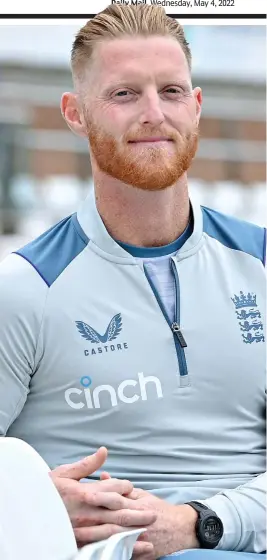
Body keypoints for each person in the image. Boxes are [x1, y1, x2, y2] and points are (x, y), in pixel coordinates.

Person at [0, 4, 266, 559]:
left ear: (196, 106)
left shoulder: (259, 263)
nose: (153, 113)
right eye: (124, 95)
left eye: (171, 91)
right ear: (75, 114)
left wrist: (203, 523)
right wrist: (31, 504)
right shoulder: (24, 288)